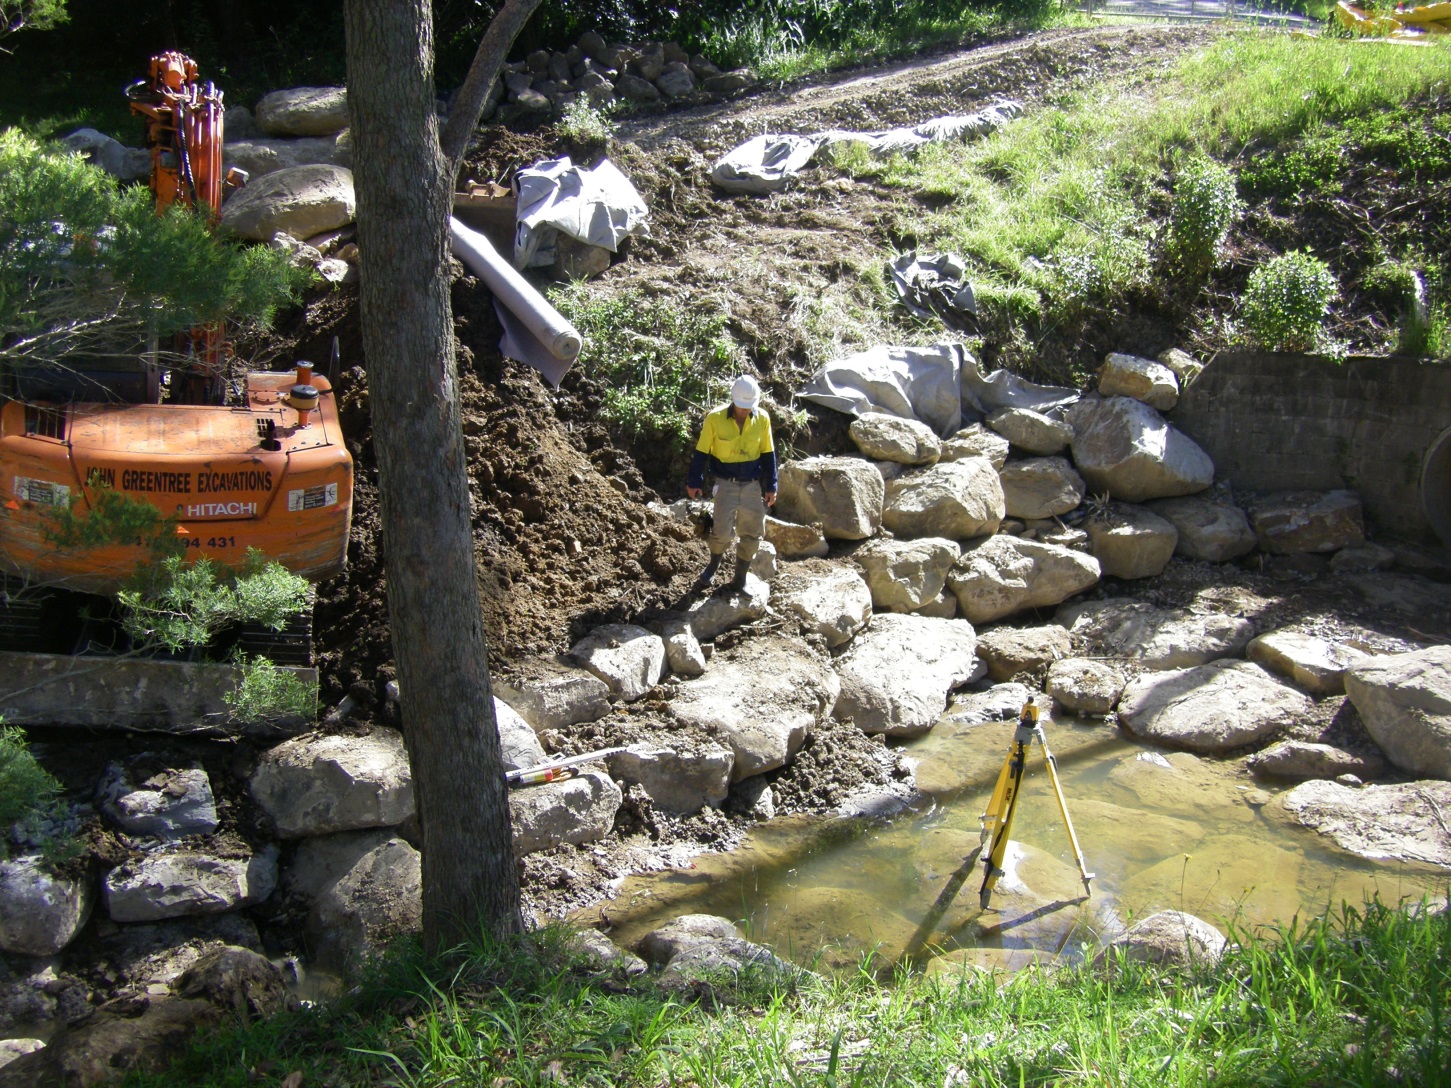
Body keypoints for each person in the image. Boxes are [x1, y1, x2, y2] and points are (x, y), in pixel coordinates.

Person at [686, 374, 777, 591]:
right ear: (733, 400)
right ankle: (714, 563)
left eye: (748, 406)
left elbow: (768, 454)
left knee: (752, 533)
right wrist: (694, 480)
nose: (745, 411)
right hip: (725, 483)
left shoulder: (763, 419)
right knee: (721, 532)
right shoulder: (715, 419)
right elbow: (701, 452)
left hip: (752, 485)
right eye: (741, 406)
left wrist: (772, 485)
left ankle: (740, 579)